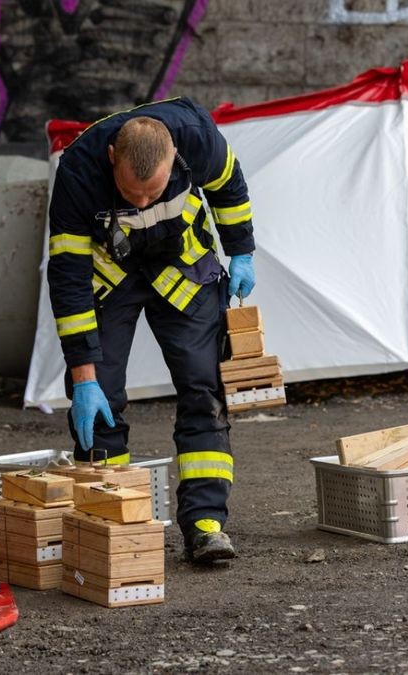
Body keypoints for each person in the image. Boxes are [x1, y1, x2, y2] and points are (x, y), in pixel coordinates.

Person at [46, 98, 256, 563]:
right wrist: (83, 377)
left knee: (203, 387)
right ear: (112, 160)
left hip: (180, 262)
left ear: (175, 158)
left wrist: (241, 250)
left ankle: (206, 524)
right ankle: (110, 520)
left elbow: (228, 187)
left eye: (152, 192)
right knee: (102, 394)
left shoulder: (196, 137)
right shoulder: (78, 174)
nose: (141, 202)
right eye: (130, 193)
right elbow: (68, 277)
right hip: (112, 271)